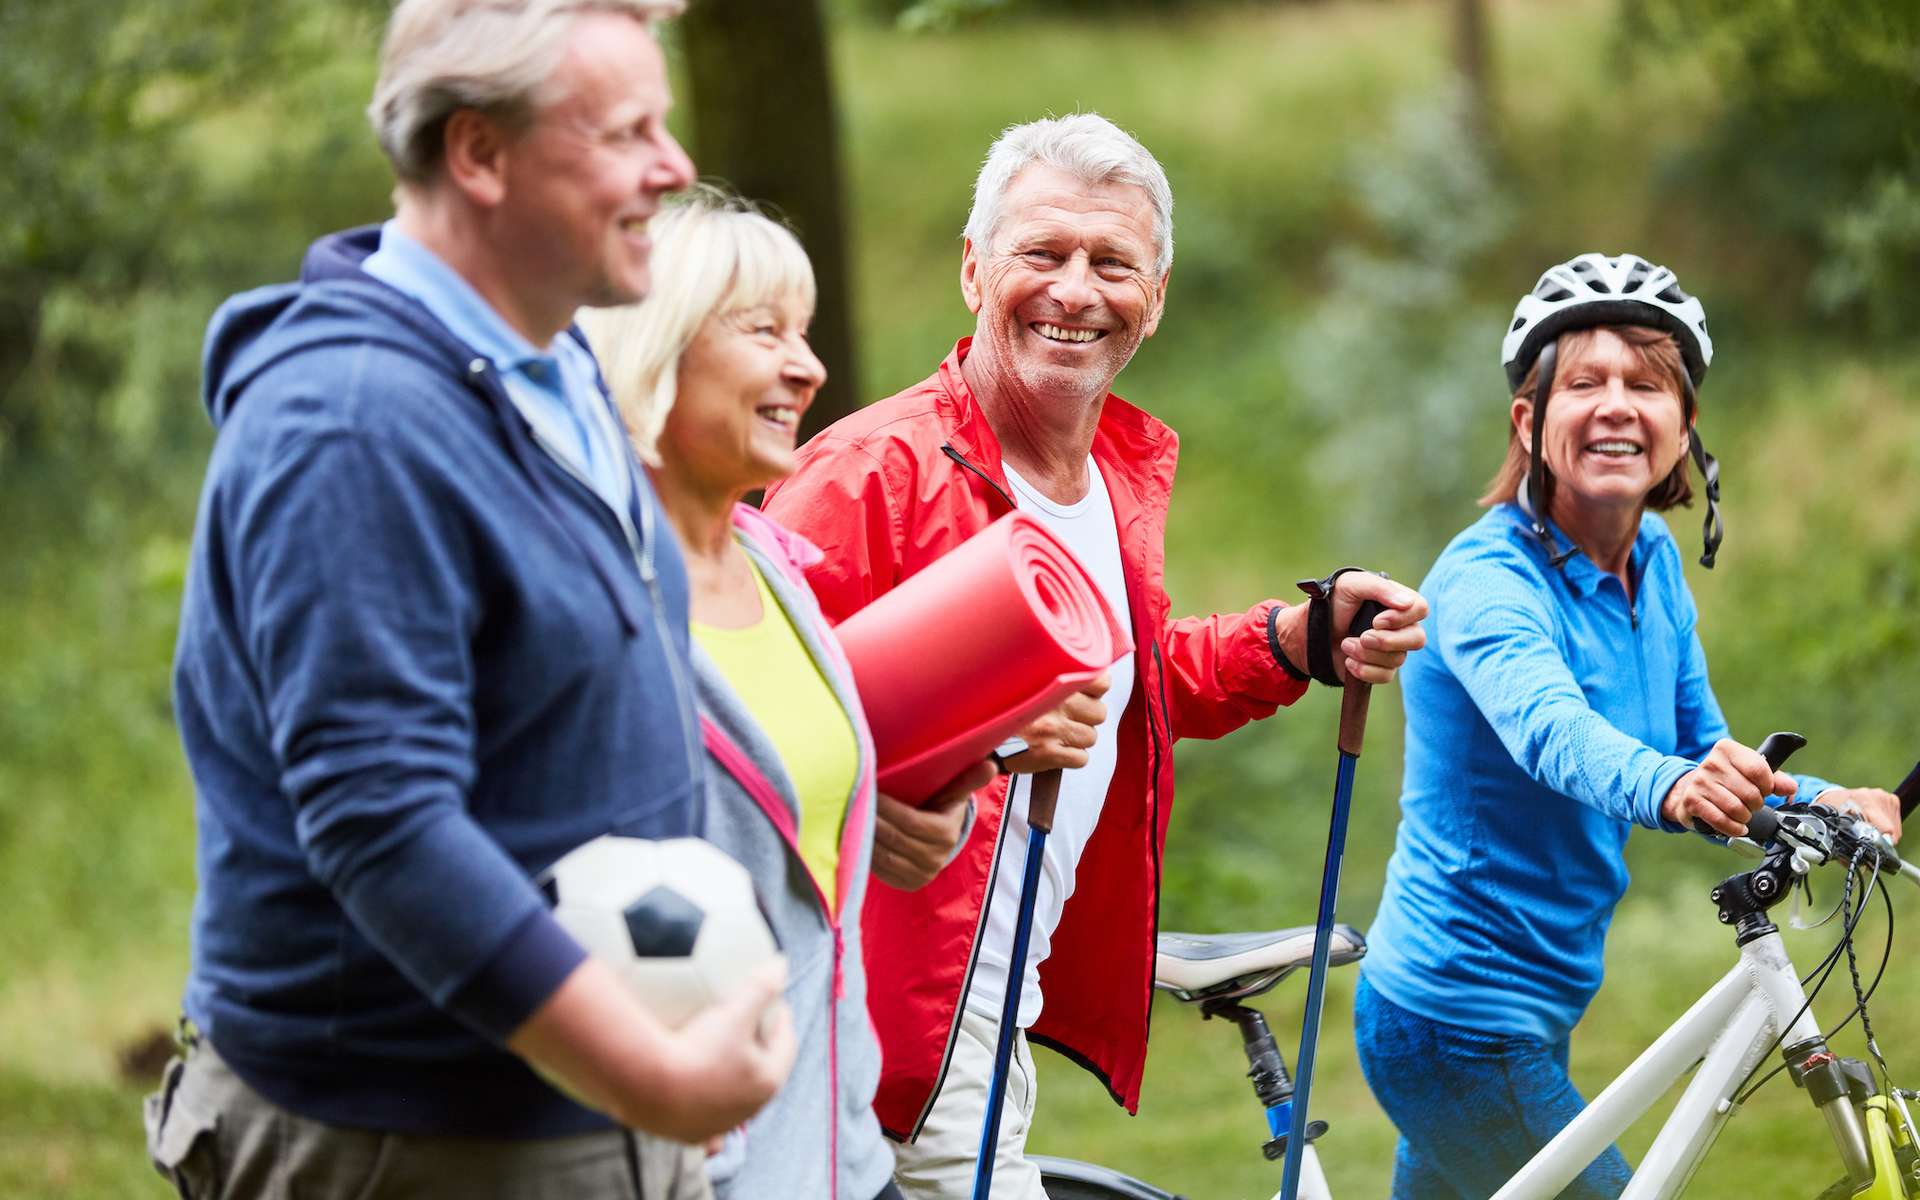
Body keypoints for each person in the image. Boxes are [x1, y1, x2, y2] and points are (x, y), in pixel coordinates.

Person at [152, 4, 796, 1197]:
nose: (676, 167)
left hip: (572, 1103)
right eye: (624, 133)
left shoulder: (550, 366)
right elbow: (383, 823)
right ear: (478, 154)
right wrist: (643, 1077)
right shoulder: (353, 422)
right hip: (414, 1139)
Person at [761, 112, 1429, 1198]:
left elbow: (1124, 685)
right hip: (885, 1019)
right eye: (1043, 253)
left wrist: (1295, 643)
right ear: (975, 273)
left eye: (1112, 263)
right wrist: (967, 739)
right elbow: (747, 728)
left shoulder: (1109, 473)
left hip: (995, 1001)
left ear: (1153, 301)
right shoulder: (869, 477)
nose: (1076, 290)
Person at [1353, 252, 1905, 1199]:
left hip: (1536, 1008)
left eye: (1647, 384)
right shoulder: (1486, 581)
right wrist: (1669, 786)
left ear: (1684, 427)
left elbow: (1704, 747)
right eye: (1585, 383)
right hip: (1455, 1021)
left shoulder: (1651, 559)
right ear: (1530, 423)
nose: (1616, 405)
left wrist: (1830, 801)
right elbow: (1552, 730)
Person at [577, 189, 994, 1200]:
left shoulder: (776, 564)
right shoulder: (585, 595)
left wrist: (908, 812)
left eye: (803, 333)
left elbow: (796, 812)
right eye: (763, 331)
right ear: (654, 344)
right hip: (687, 1171)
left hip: (841, 1152)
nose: (807, 367)